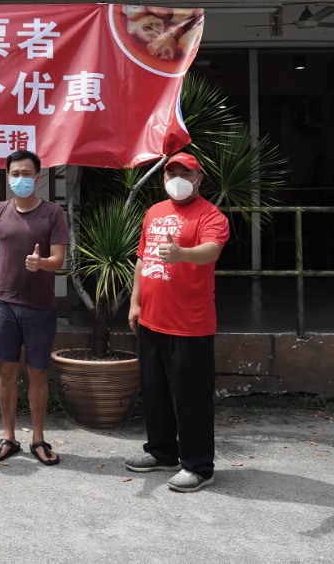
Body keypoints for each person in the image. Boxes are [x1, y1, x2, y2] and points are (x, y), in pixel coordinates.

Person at [125, 152, 230, 493]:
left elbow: (212, 250)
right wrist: (135, 302)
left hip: (190, 325)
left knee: (191, 397)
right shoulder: (154, 212)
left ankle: (199, 466)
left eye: (186, 174)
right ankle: (162, 452)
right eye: (172, 174)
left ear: (199, 179)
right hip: (151, 320)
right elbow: (142, 259)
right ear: (164, 178)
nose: (178, 179)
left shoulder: (210, 215)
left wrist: (182, 254)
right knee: (154, 391)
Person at [0, 150, 69, 466]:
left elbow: (58, 260)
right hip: (4, 304)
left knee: (37, 372)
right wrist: (8, 271)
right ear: (8, 177)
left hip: (40, 306)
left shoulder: (53, 213)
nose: (21, 179)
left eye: (26, 174)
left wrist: (40, 263)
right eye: (15, 174)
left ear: (37, 177)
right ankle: (9, 437)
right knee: (6, 371)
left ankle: (38, 439)